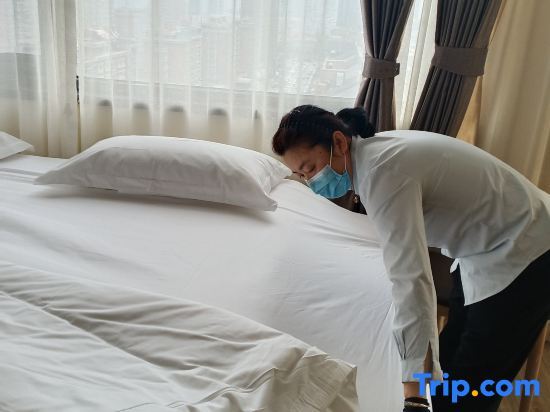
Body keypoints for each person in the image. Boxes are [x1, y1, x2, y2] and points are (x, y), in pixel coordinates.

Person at [271, 104, 550, 412]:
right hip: (485, 248)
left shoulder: (382, 172)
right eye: (302, 176)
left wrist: (413, 395)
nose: (312, 184)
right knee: (449, 370)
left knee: (472, 388)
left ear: (338, 142)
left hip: (529, 249)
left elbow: (412, 282)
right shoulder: (370, 155)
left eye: (311, 169)